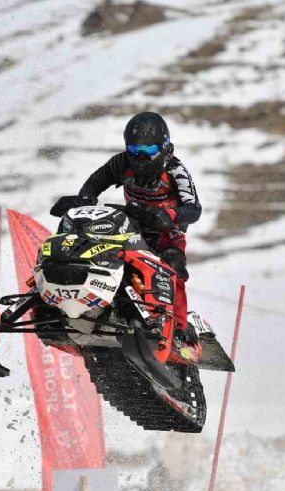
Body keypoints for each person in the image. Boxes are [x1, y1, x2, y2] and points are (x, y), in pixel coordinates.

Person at [51, 111, 202, 344]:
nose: (140, 157)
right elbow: (95, 182)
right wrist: (84, 198)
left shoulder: (175, 170)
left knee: (174, 268)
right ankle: (79, 306)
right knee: (96, 252)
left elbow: (194, 208)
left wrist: (170, 214)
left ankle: (179, 331)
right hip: (128, 227)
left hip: (165, 233)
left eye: (148, 151)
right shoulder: (121, 162)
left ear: (163, 147)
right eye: (134, 150)